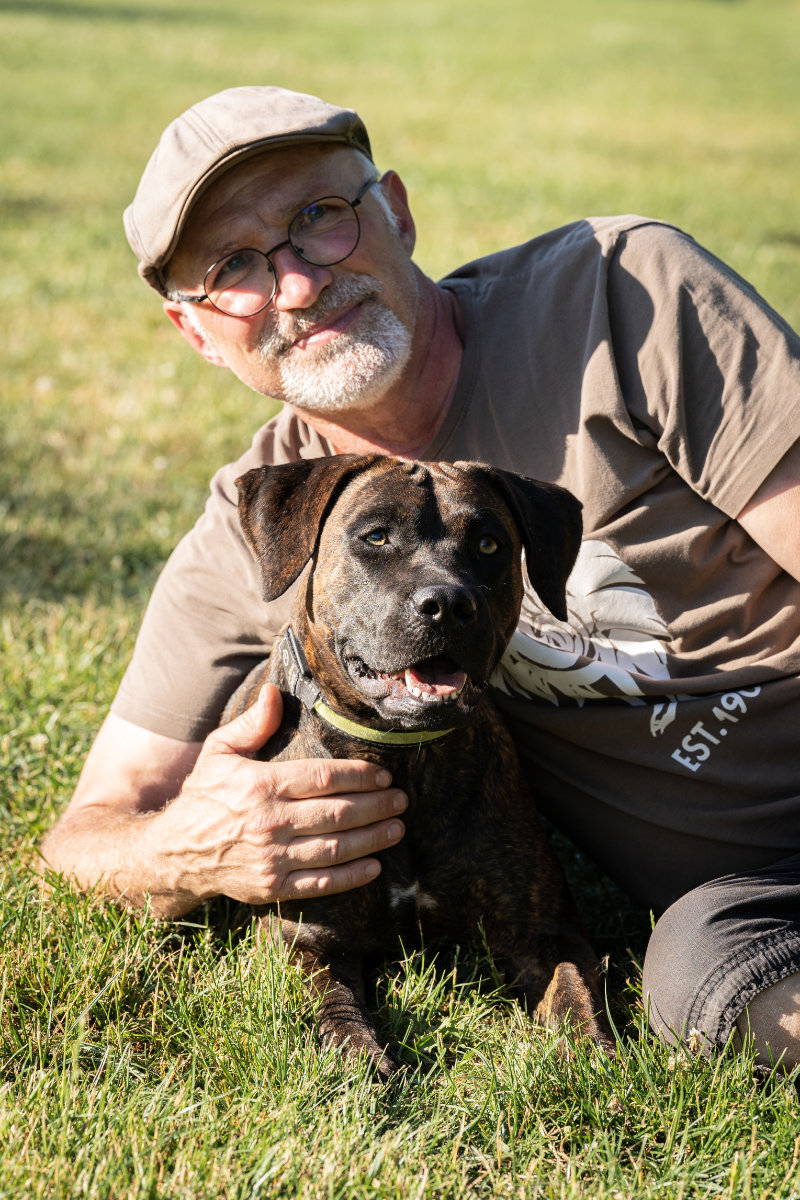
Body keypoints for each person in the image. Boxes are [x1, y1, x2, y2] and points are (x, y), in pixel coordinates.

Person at [40, 85, 800, 1068]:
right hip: (745, 905)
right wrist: (189, 846)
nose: (297, 284)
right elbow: (84, 839)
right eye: (233, 268)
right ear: (195, 332)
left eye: (320, 216)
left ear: (395, 211)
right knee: (701, 991)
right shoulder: (261, 527)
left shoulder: (617, 298)